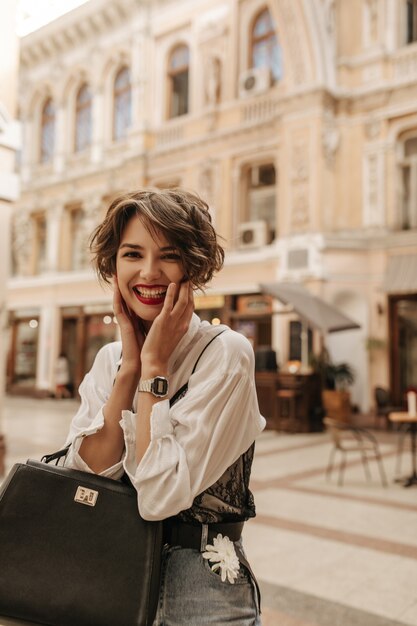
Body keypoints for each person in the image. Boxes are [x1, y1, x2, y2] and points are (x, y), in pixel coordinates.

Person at [63, 188, 266, 625]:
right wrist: (130, 367)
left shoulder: (226, 353)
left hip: (202, 591)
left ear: (192, 266)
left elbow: (157, 497)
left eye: (168, 255)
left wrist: (153, 369)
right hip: (109, 577)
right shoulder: (110, 359)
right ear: (113, 266)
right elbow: (88, 473)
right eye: (132, 254)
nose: (148, 273)